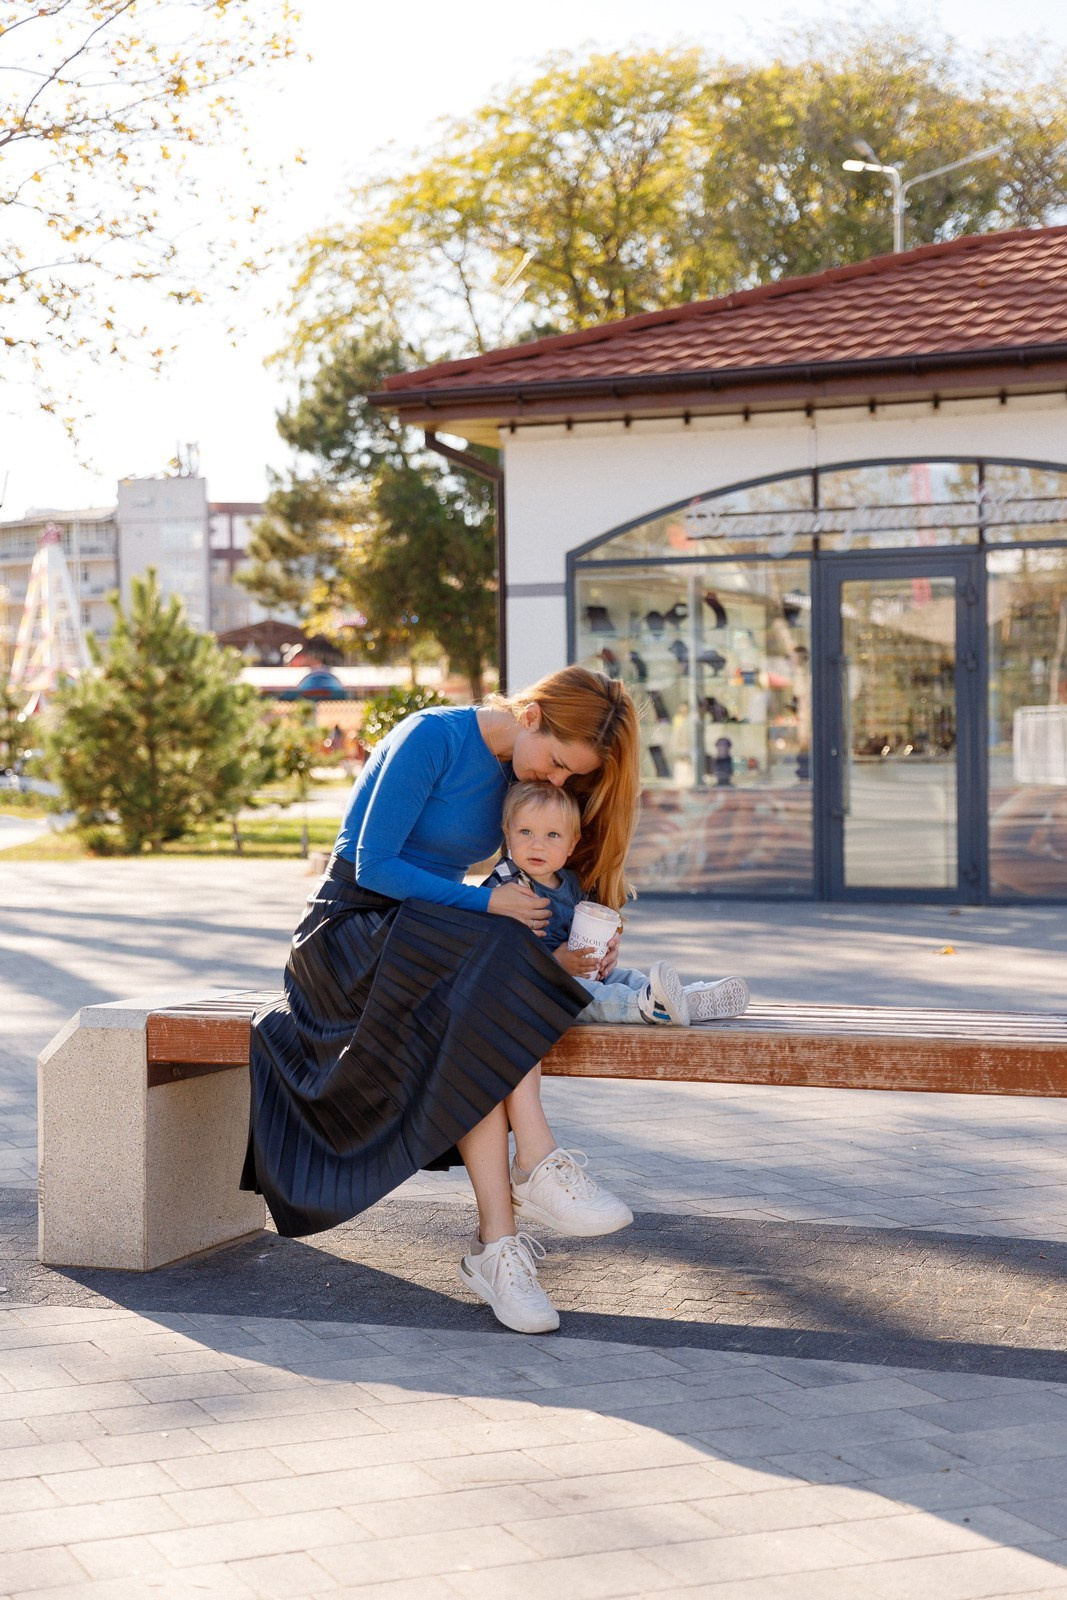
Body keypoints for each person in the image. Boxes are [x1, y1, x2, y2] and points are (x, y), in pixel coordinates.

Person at [243, 667, 643, 1337]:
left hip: (428, 937)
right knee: (497, 955)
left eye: (570, 776)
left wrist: (587, 936)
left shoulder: (520, 775)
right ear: (532, 716)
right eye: (555, 762)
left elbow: (545, 870)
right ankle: (534, 1164)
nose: (555, 781)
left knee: (480, 1003)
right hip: (348, 936)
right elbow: (371, 865)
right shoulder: (432, 737)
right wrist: (486, 905)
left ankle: (498, 1245)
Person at [483, 781, 750, 1026]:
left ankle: (684, 998)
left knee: (627, 977)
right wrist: (555, 963)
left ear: (572, 844)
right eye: (526, 832)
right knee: (588, 994)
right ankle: (647, 1008)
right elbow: (498, 955)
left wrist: (605, 947)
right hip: (536, 988)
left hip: (578, 972)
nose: (537, 845)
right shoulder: (506, 885)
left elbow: (588, 931)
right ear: (508, 834)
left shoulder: (571, 883)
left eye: (552, 835)